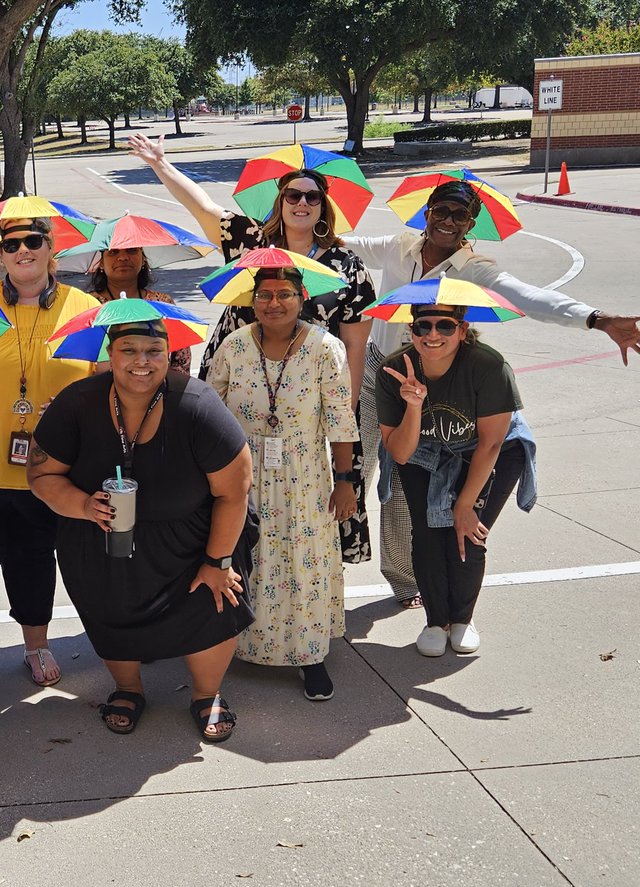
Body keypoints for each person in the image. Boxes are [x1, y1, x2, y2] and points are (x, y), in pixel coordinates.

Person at [349, 181, 640, 609]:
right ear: (426, 212)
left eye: (460, 216)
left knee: (400, 484)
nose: (448, 222)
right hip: (381, 371)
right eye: (441, 211)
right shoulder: (399, 246)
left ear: (471, 224)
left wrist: (593, 319)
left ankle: (404, 579)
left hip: (429, 384)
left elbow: (529, 297)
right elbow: (343, 244)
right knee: (352, 471)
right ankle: (330, 559)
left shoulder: (474, 267)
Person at [128, 133, 375, 566]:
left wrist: (343, 414)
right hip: (235, 384)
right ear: (279, 202)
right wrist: (160, 165)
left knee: (304, 497)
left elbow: (354, 345)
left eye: (312, 197)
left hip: (303, 400)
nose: (302, 203)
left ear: (324, 206)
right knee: (224, 480)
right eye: (292, 194)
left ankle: (297, 593)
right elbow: (202, 206)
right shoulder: (250, 240)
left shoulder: (346, 266)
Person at [27, 319, 257, 741]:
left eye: (153, 350)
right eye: (128, 350)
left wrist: (217, 561)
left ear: (169, 353)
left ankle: (208, 693)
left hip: (196, 536)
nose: (141, 361)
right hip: (101, 533)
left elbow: (235, 491)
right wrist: (82, 505)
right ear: (110, 355)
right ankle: (128, 688)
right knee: (108, 605)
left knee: (212, 603)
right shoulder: (77, 401)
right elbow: (41, 475)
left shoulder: (197, 404)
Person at [0, 217, 101, 688]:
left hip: (51, 472)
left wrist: (72, 406)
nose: (23, 250)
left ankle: (36, 647)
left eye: (33, 241)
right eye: (12, 243)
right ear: (0, 253)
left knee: (35, 563)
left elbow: (103, 383)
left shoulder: (83, 306)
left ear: (49, 248)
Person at [207, 268, 359, 701]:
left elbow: (340, 420)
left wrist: (345, 481)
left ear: (301, 297)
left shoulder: (324, 349)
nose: (274, 303)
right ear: (252, 300)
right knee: (246, 556)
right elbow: (208, 409)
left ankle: (309, 656)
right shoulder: (234, 347)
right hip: (242, 474)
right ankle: (238, 645)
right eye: (265, 294)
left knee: (302, 563)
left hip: (305, 476)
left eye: (285, 294)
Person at [376, 303, 535, 656]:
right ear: (412, 330)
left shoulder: (488, 366)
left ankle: (463, 619)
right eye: (423, 326)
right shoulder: (393, 371)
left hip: (490, 450)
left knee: (467, 532)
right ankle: (436, 621)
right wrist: (414, 406)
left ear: (462, 330)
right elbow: (400, 452)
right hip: (423, 451)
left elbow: (492, 441)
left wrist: (465, 504)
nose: (433, 335)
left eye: (445, 326)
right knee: (428, 534)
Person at [87, 247, 192, 374]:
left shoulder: (161, 303)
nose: (123, 257)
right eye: (113, 252)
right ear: (101, 262)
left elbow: (181, 359)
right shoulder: (88, 305)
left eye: (131, 250)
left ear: (143, 260)